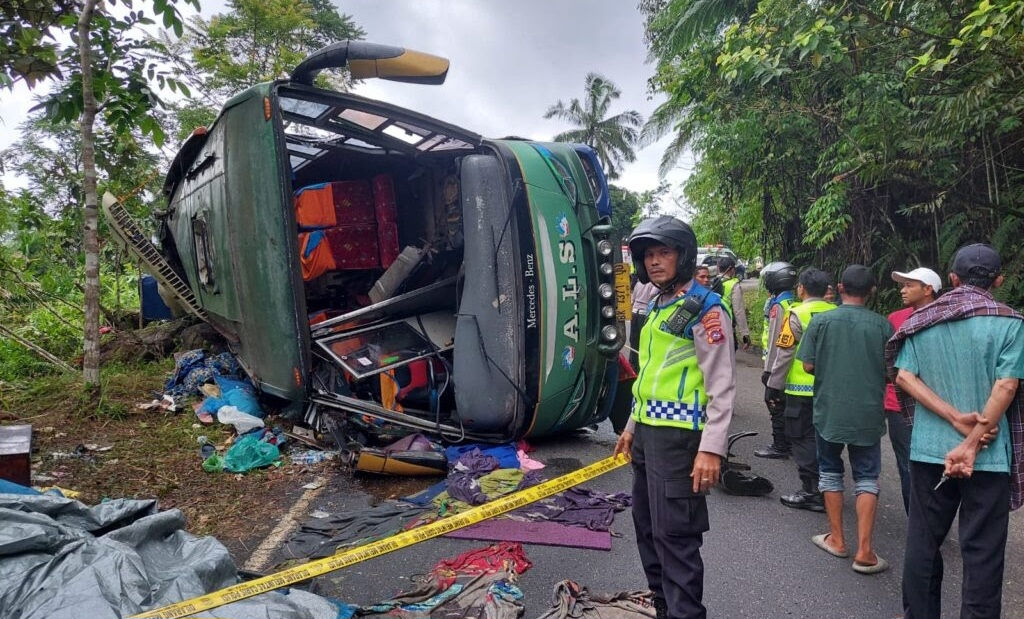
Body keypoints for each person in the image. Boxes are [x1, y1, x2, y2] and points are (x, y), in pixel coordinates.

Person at [888, 243, 1024, 619]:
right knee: (982, 552)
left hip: (929, 452)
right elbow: (1007, 386)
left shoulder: (923, 320)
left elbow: (904, 376)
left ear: (951, 279)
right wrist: (974, 437)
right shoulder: (1011, 323)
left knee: (923, 543)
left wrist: (951, 417)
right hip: (989, 456)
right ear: (998, 280)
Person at [613, 215, 736, 619]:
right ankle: (664, 608)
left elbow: (721, 384)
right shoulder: (660, 304)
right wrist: (632, 427)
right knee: (647, 529)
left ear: (683, 255)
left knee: (676, 537)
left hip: (681, 439)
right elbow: (649, 375)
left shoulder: (705, 309)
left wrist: (712, 449)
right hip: (649, 434)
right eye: (648, 255)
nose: (654, 262)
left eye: (663, 252)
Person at [800, 265, 893, 574]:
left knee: (829, 470)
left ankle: (838, 540)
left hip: (829, 411)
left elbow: (809, 366)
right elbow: (893, 371)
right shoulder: (883, 326)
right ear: (872, 291)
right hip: (867, 412)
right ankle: (865, 551)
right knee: (867, 476)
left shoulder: (821, 321)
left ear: (839, 287)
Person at [767, 267, 836, 511]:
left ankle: (810, 491)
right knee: (826, 438)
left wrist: (773, 385)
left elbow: (785, 354)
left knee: (802, 439)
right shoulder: (836, 312)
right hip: (830, 389)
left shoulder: (796, 313)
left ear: (801, 289)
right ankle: (830, 488)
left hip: (799, 389)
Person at [884, 267, 941, 514]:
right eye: (902, 285)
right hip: (897, 402)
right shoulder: (895, 318)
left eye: (909, 285)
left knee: (936, 465)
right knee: (907, 464)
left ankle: (935, 518)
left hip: (936, 403)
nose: (902, 290)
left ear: (928, 289)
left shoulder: (947, 317)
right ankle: (917, 520)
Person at [756, 261, 800, 459]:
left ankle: (780, 445)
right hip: (794, 366)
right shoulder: (795, 301)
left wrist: (769, 371)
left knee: (774, 402)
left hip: (778, 364)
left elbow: (775, 340)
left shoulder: (779, 306)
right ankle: (789, 442)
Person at [716, 256, 751, 350]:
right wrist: (745, 334)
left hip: (711, 324)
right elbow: (738, 311)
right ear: (732, 270)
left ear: (718, 268)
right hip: (727, 326)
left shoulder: (711, 282)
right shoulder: (733, 285)